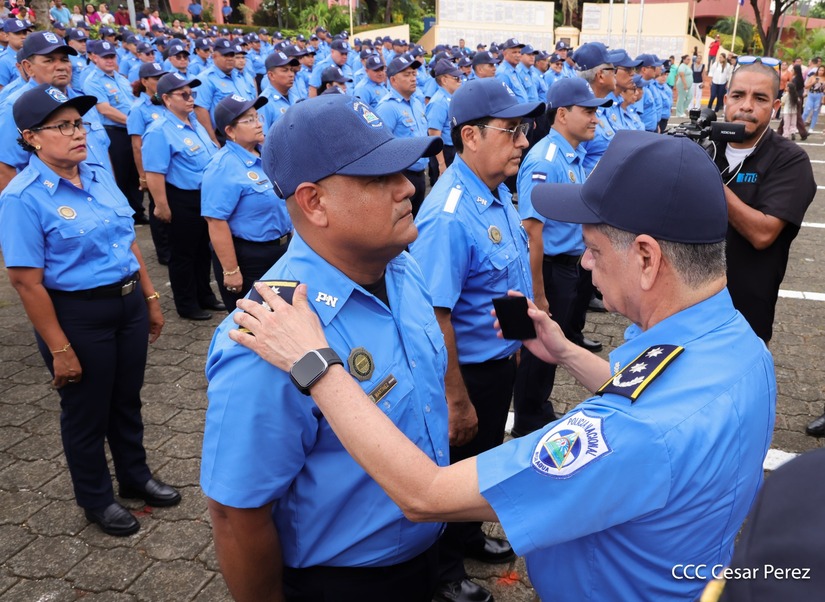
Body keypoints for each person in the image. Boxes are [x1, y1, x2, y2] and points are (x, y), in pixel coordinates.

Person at [229, 129, 776, 602]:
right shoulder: (743, 348)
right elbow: (662, 402)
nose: (584, 263)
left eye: (593, 249)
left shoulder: (630, 434)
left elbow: (427, 495)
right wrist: (564, 352)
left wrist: (316, 364)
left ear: (647, 257)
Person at [201, 94, 444, 601]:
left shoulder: (400, 265)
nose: (407, 188)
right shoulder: (268, 333)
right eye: (380, 179)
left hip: (426, 551)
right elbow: (236, 512)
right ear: (314, 202)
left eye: (403, 171)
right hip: (346, 580)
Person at [0, 83, 181, 537]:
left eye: (79, 123)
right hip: (77, 316)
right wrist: (59, 347)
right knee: (86, 412)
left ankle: (135, 476)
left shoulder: (97, 174)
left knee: (126, 399)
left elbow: (127, 244)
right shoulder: (22, 197)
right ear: (31, 137)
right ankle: (96, 498)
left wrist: (150, 298)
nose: (77, 133)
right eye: (62, 125)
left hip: (127, 306)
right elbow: (25, 281)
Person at [410, 78, 542, 602]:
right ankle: (443, 572)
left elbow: (498, 285)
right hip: (466, 372)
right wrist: (455, 396)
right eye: (511, 131)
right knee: (452, 469)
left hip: (497, 363)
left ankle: (465, 537)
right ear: (470, 135)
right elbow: (437, 315)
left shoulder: (494, 191)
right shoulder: (448, 215)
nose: (523, 142)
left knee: (481, 461)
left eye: (523, 130)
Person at [513, 78, 611, 438]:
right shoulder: (545, 160)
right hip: (551, 272)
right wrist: (538, 293)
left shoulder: (572, 154)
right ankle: (527, 422)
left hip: (570, 269)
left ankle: (539, 408)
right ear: (563, 114)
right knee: (538, 354)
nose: (595, 120)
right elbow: (532, 233)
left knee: (552, 350)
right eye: (587, 112)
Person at [712, 61, 816, 343]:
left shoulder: (790, 160)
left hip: (743, 312)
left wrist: (708, 179)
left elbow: (763, 233)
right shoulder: (705, 146)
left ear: (776, 106)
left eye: (760, 98)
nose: (746, 106)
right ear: (725, 99)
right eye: (738, 95)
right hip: (681, 302)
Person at [142, 72, 222, 320]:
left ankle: (204, 295)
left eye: (192, 94)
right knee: (183, 255)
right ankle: (187, 304)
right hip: (181, 199)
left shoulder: (194, 121)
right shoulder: (159, 130)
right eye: (184, 94)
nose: (190, 99)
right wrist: (161, 206)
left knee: (202, 250)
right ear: (166, 99)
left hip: (204, 197)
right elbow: (155, 173)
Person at [202, 94, 292, 309]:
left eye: (257, 116)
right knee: (252, 324)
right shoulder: (222, 167)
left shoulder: (266, 154)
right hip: (250, 257)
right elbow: (216, 222)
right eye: (249, 120)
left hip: (282, 249)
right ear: (230, 131)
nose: (259, 123)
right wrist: (231, 271)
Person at [83, 40, 148, 224]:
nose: (110, 60)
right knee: (119, 174)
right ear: (95, 58)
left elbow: (132, 102)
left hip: (130, 131)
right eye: (105, 57)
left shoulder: (120, 78)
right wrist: (134, 123)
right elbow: (105, 110)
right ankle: (123, 213)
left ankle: (137, 211)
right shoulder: (93, 81)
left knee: (134, 171)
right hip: (114, 132)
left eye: (112, 56)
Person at [126, 61, 171, 266]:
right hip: (153, 165)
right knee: (157, 207)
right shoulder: (138, 109)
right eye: (156, 78)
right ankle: (163, 251)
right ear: (144, 81)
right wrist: (142, 175)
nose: (161, 81)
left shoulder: (164, 102)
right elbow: (137, 146)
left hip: (170, 164)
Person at [375, 55, 429, 215]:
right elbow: (380, 147)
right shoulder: (387, 108)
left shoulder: (417, 103)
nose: (413, 78)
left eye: (414, 73)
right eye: (406, 75)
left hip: (420, 174)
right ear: (393, 80)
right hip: (401, 176)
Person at [194, 38, 246, 145]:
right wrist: (213, 140)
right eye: (225, 55)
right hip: (224, 137)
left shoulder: (238, 76)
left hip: (245, 133)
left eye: (232, 55)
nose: (230, 58)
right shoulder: (205, 79)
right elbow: (201, 110)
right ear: (214, 56)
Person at [425, 59, 462, 185]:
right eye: (456, 78)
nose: (460, 81)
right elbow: (434, 135)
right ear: (444, 80)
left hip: (453, 149)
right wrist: (442, 164)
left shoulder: (450, 98)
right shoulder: (438, 102)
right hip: (444, 152)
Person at [258, 49, 297, 132]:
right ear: (271, 75)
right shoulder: (264, 102)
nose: (291, 74)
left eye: (291, 70)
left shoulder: (294, 96)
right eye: (285, 70)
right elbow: (262, 139)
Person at [803, 64, 825, 131]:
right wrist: (814, 82)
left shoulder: (824, 78)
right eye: (820, 70)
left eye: (823, 70)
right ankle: (800, 125)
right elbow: (806, 86)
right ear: (817, 70)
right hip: (811, 94)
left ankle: (811, 127)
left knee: (815, 112)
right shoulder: (812, 77)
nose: (821, 71)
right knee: (806, 111)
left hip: (819, 95)